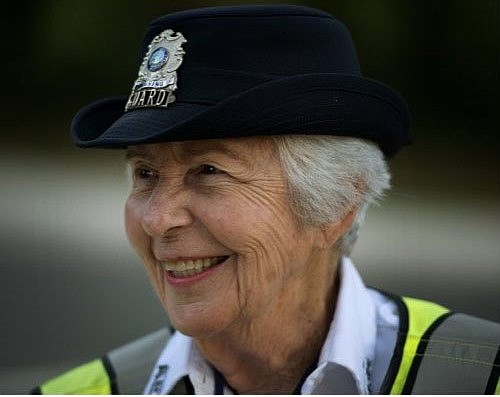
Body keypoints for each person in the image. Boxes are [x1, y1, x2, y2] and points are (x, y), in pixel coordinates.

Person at [32, 4, 499, 395]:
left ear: (338, 203)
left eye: (209, 171)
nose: (157, 219)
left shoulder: (482, 378)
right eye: (146, 173)